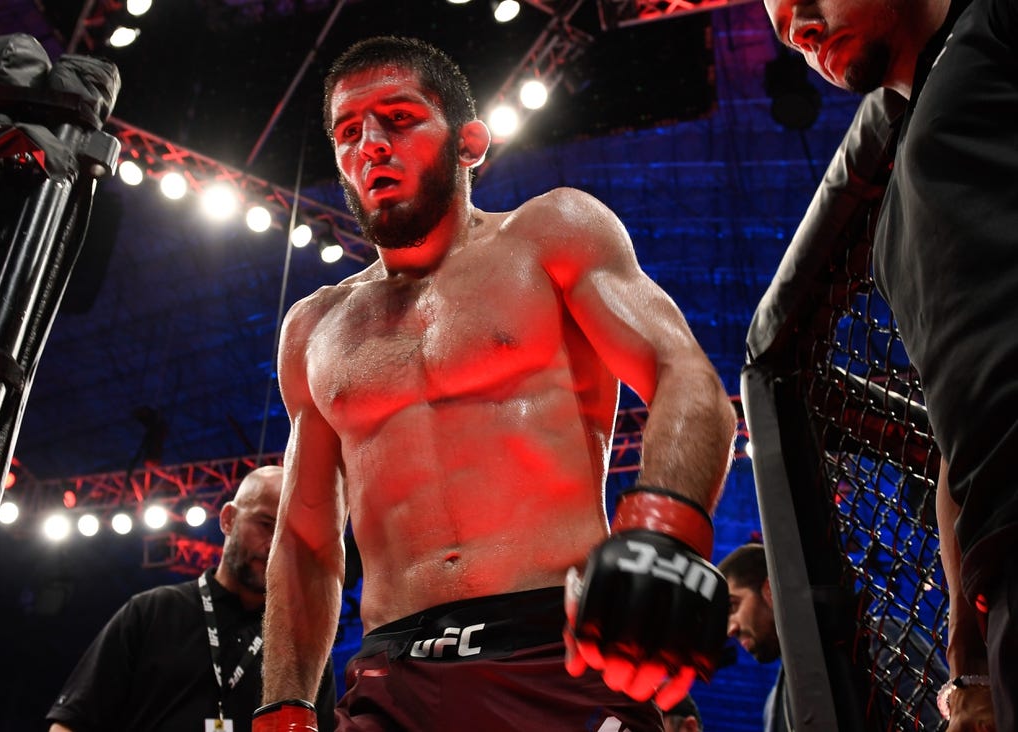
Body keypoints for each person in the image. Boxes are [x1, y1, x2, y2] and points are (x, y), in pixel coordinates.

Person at [254, 35, 738, 732]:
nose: (372, 145)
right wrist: (285, 705)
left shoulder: (551, 234)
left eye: (398, 118)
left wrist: (659, 536)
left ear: (469, 143)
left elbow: (683, 375)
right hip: (392, 677)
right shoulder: (315, 327)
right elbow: (304, 539)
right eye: (349, 132)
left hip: (558, 650)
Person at [760, 0, 1015, 728]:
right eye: (785, 31)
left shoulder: (991, 24)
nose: (802, 30)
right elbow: (951, 435)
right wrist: (969, 655)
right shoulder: (890, 227)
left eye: (808, 0)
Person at [45, 465, 337, 732]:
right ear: (227, 519)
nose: (274, 544)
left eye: (287, 534)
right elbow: (72, 722)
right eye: (265, 523)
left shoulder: (305, 645)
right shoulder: (152, 611)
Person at [718, 543, 789, 732]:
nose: (731, 630)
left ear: (770, 591)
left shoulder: (868, 650)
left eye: (733, 606)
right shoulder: (774, 704)